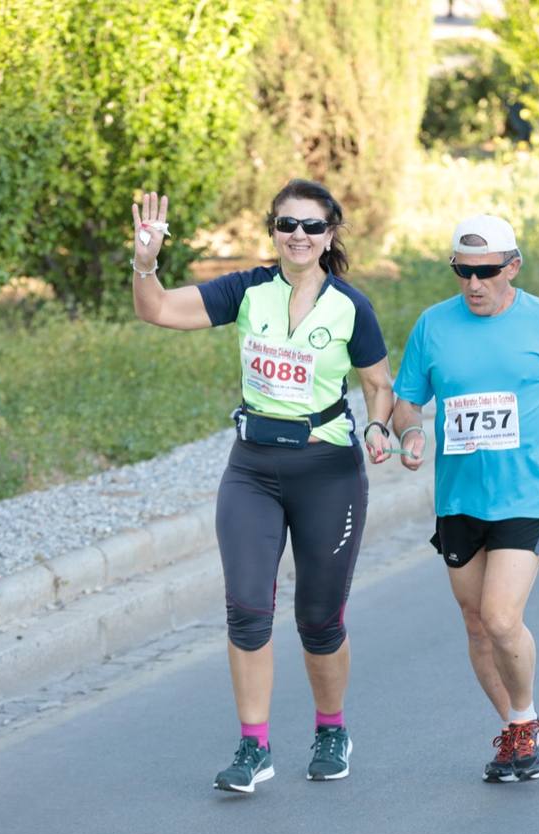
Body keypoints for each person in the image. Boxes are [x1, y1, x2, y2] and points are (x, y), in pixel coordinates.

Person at [131, 179, 394, 794]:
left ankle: (332, 729)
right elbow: (158, 309)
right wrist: (145, 264)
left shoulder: (351, 306)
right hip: (252, 470)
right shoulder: (247, 290)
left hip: (327, 473)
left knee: (318, 619)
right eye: (286, 225)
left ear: (330, 235)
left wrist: (379, 426)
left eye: (311, 226)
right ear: (272, 230)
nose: (298, 236)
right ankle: (254, 746)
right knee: (248, 611)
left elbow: (379, 384)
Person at [391, 215, 539, 782]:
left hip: (525, 494)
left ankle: (526, 719)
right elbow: (406, 399)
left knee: (499, 616)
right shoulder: (432, 326)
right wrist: (411, 432)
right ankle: (521, 730)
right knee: (473, 621)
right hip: (459, 499)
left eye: (487, 272)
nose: (474, 284)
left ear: (512, 266)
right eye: (463, 272)